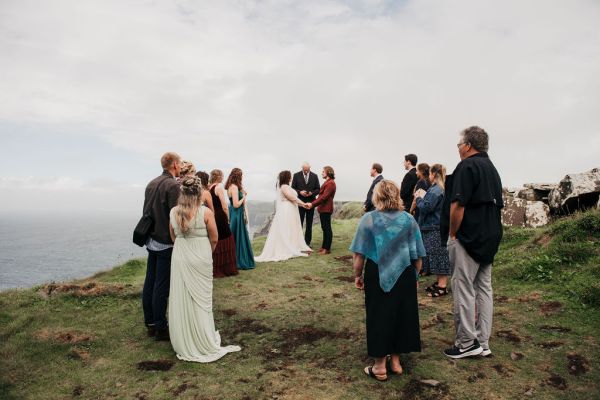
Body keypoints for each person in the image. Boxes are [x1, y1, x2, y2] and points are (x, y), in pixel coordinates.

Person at [350, 180, 426, 381]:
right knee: (402, 315)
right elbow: (418, 256)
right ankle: (396, 362)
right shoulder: (409, 220)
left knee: (379, 316)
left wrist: (358, 275)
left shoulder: (369, 219)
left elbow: (359, 255)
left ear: (377, 196)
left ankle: (380, 367)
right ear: (397, 195)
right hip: (405, 273)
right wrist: (415, 277)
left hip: (377, 272)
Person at [441, 126, 503, 359]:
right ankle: (483, 342)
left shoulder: (467, 166)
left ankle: (467, 342)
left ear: (468, 145)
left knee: (463, 287)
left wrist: (453, 233)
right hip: (490, 235)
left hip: (468, 235)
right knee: (484, 289)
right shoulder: (492, 169)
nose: (457, 148)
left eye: (459, 144)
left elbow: (458, 205)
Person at [168, 176, 241, 362]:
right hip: (201, 255)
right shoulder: (206, 212)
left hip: (180, 255)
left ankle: (185, 339)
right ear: (199, 192)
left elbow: (173, 237)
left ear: (182, 193)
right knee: (202, 298)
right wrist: (205, 253)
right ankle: (202, 337)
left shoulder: (173, 212)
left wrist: (184, 249)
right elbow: (214, 238)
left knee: (182, 296)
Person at [141, 152, 182, 341]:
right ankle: (160, 327)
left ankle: (150, 322)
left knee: (150, 282)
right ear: (174, 164)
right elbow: (175, 215)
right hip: (166, 241)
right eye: (179, 163)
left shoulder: (151, 182)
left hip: (151, 238)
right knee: (161, 286)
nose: (180, 165)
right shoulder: (173, 185)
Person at [256, 171, 312, 262]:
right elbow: (291, 197)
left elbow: (293, 199)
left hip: (291, 209)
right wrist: (304, 204)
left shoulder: (287, 186)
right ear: (287, 177)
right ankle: (286, 247)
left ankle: (293, 245)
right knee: (287, 227)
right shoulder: (284, 187)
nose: (291, 177)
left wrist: (302, 204)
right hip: (287, 209)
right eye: (290, 176)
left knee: (291, 228)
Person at [415, 164, 451, 295]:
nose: (429, 176)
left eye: (430, 173)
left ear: (434, 174)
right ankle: (439, 282)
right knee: (435, 255)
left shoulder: (436, 190)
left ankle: (442, 286)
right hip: (435, 226)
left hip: (434, 227)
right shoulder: (438, 189)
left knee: (439, 255)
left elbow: (426, 207)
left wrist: (418, 198)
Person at [208, 169, 238, 278]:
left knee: (217, 240)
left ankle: (216, 267)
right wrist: (228, 218)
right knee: (227, 239)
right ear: (219, 176)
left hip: (212, 216)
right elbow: (224, 205)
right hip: (220, 216)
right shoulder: (219, 187)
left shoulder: (209, 187)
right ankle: (225, 269)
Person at [226, 168, 256, 270]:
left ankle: (233, 259)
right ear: (238, 177)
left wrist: (241, 192)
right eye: (241, 176)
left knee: (236, 237)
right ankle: (239, 260)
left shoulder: (232, 187)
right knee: (238, 237)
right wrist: (243, 197)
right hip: (236, 214)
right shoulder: (234, 187)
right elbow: (235, 204)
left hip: (235, 214)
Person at [307, 166, 337, 255]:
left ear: (328, 172)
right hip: (323, 208)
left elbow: (324, 197)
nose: (322, 173)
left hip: (326, 209)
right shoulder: (327, 182)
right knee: (324, 228)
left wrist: (312, 204)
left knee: (327, 228)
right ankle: (324, 246)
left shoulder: (331, 183)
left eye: (323, 171)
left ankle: (327, 248)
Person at [291, 162, 321, 246]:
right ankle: (298, 242)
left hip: (311, 203)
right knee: (299, 223)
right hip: (300, 203)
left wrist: (312, 193)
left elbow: (318, 189)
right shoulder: (296, 175)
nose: (306, 172)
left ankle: (307, 243)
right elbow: (293, 188)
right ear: (302, 168)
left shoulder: (314, 176)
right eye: (304, 170)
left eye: (307, 170)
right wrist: (300, 192)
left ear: (309, 168)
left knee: (309, 224)